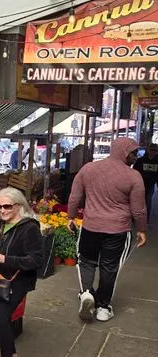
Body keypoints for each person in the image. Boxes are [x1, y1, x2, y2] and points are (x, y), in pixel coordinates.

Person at [68, 137, 147, 323]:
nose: (135, 157)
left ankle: (87, 293)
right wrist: (142, 229)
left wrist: (71, 216)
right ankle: (103, 307)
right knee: (109, 267)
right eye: (133, 153)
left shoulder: (88, 169)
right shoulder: (133, 176)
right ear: (124, 152)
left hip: (90, 227)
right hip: (118, 230)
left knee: (86, 262)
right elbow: (139, 209)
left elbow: (75, 196)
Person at [0, 188, 43, 357]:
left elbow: (35, 260)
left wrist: (4, 258)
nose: (2, 210)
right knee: (1, 320)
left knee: (1, 319)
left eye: (7, 206)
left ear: (19, 206)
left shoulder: (29, 228)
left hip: (17, 281)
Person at [133, 144, 158, 223]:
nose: (153, 152)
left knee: (148, 202)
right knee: (138, 201)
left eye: (155, 150)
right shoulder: (141, 160)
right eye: (151, 149)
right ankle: (135, 218)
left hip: (150, 185)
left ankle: (145, 220)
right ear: (148, 150)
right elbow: (135, 171)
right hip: (140, 184)